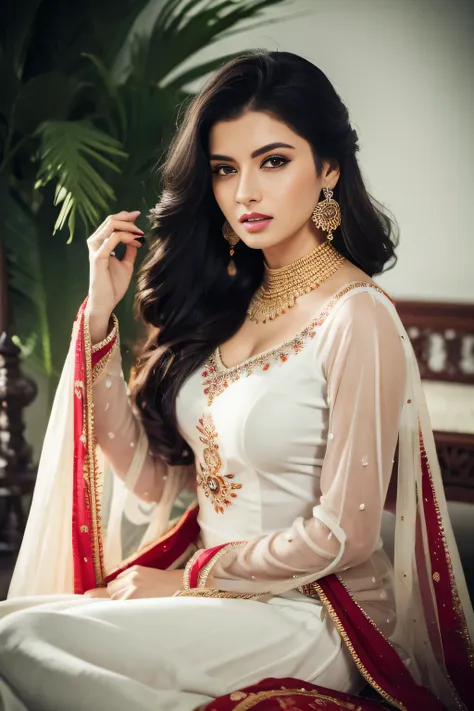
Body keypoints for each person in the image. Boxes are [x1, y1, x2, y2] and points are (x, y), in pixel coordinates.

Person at [0, 50, 471, 711]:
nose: (245, 191)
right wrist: (100, 314)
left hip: (309, 615)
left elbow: (345, 535)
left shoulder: (356, 317)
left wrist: (190, 575)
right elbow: (151, 479)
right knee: (9, 632)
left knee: (18, 641)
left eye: (272, 161)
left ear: (328, 167)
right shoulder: (229, 306)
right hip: (212, 602)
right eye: (225, 169)